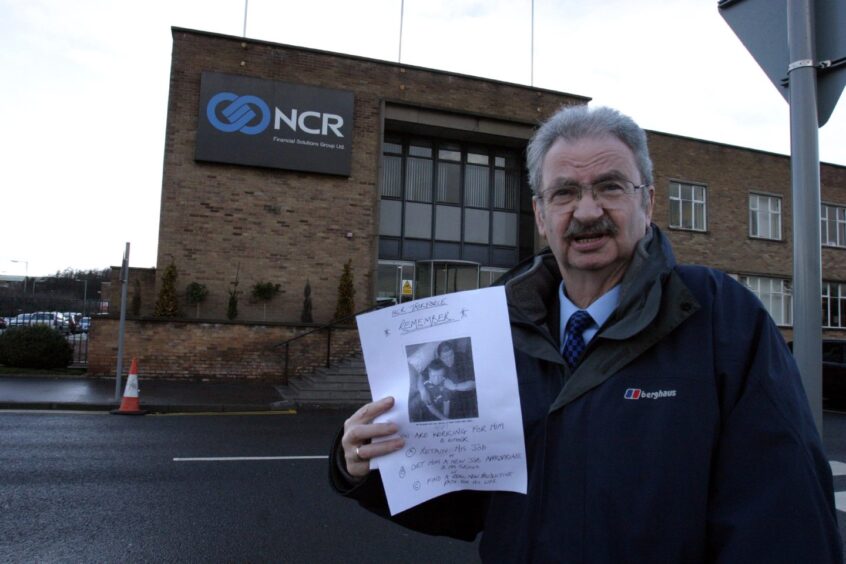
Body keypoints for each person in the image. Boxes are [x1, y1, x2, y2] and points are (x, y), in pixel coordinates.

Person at [330, 105, 842, 562]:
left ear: (648, 202)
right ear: (540, 213)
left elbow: (782, 515)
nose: (588, 211)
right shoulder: (490, 332)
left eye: (610, 187)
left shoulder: (722, 318)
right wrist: (367, 463)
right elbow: (471, 503)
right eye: (566, 193)